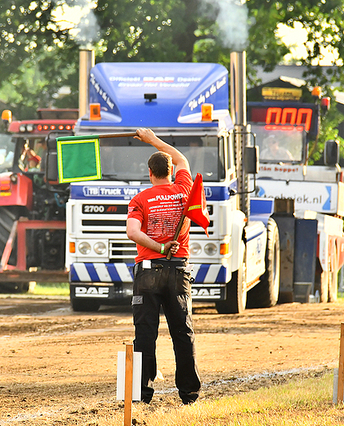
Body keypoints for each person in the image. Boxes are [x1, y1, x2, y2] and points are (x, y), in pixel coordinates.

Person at [126, 128, 201, 405]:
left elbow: (132, 232)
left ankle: (142, 394)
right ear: (171, 170)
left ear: (150, 172)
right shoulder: (184, 189)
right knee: (182, 332)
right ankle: (189, 393)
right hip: (178, 270)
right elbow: (182, 159)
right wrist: (153, 140)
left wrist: (157, 247)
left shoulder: (140, 199)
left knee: (145, 335)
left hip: (147, 270)